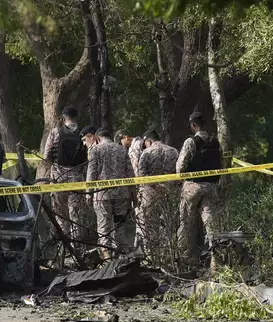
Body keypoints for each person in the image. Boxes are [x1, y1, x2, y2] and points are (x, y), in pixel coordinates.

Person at [176, 111, 223, 273]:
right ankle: (215, 264)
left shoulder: (191, 141)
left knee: (187, 226)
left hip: (192, 187)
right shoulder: (216, 142)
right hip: (211, 187)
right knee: (212, 227)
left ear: (193, 125)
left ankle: (188, 263)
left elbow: (180, 168)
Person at [86, 128, 135, 259]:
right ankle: (122, 258)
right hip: (121, 195)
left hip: (103, 196)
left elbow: (91, 173)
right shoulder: (122, 150)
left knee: (104, 229)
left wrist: (88, 193)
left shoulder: (95, 150)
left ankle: (107, 260)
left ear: (97, 137)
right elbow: (130, 174)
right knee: (120, 227)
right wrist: (133, 194)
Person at [44, 106, 89, 247]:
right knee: (75, 212)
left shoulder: (55, 132)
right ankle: (77, 246)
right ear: (76, 116)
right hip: (77, 177)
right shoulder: (83, 134)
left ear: (63, 117)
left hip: (58, 177)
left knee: (60, 212)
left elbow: (46, 156)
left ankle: (64, 245)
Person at [134, 130, 179, 263]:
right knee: (167, 223)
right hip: (169, 192)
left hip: (150, 193)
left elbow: (141, 175)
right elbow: (179, 173)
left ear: (148, 141)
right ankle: (168, 255)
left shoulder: (146, 153)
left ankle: (150, 256)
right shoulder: (173, 151)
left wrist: (154, 185)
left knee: (147, 225)